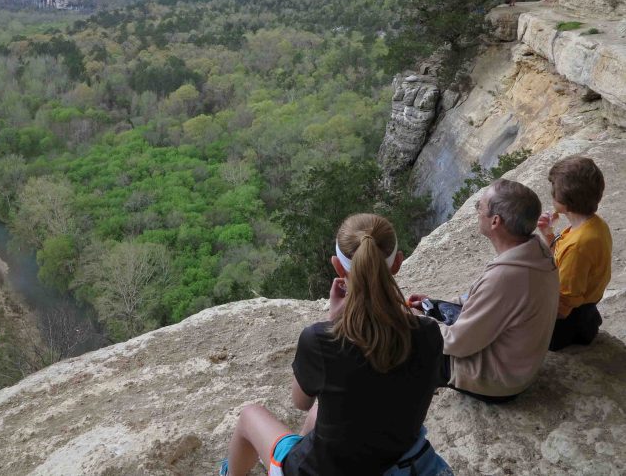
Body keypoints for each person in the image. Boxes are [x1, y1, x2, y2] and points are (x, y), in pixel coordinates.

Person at [221, 214, 451, 476]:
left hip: (322, 470)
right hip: (397, 463)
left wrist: (332, 321)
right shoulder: (428, 333)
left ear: (338, 268)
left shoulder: (321, 339)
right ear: (397, 263)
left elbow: (300, 401)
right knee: (322, 411)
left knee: (250, 416)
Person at [409, 179, 559, 403]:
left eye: (481, 205)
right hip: (517, 363)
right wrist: (436, 305)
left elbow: (456, 344)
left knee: (405, 342)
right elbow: (479, 300)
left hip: (497, 380)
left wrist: (417, 324)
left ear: (496, 221)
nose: (477, 209)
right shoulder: (534, 251)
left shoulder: (506, 277)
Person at [537, 156, 612, 351]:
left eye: (553, 192)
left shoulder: (580, 245)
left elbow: (565, 303)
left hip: (568, 318)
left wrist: (536, 316)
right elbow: (563, 257)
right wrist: (548, 235)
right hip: (584, 305)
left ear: (564, 202)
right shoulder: (593, 224)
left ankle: (573, 333)